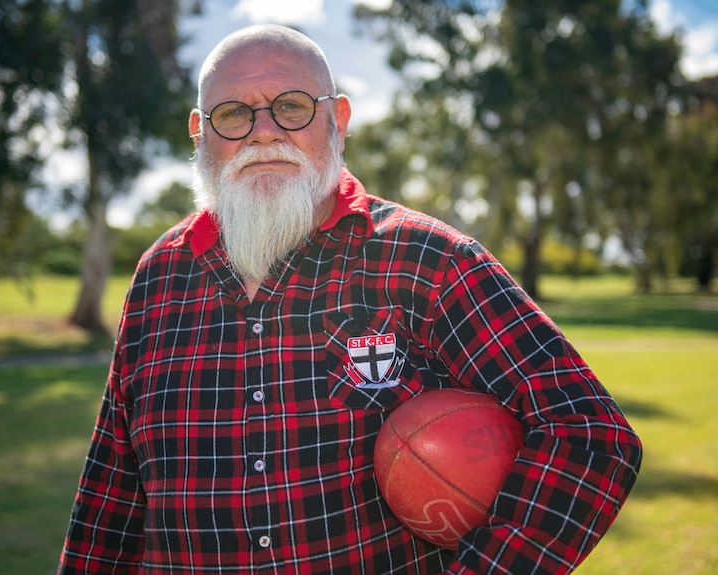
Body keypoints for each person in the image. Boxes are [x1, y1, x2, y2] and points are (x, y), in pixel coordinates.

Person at [58, 24, 642, 575]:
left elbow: (589, 434)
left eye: (291, 106)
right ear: (200, 132)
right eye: (233, 113)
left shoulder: (430, 259)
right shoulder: (159, 276)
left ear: (337, 119)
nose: (264, 131)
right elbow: (113, 490)